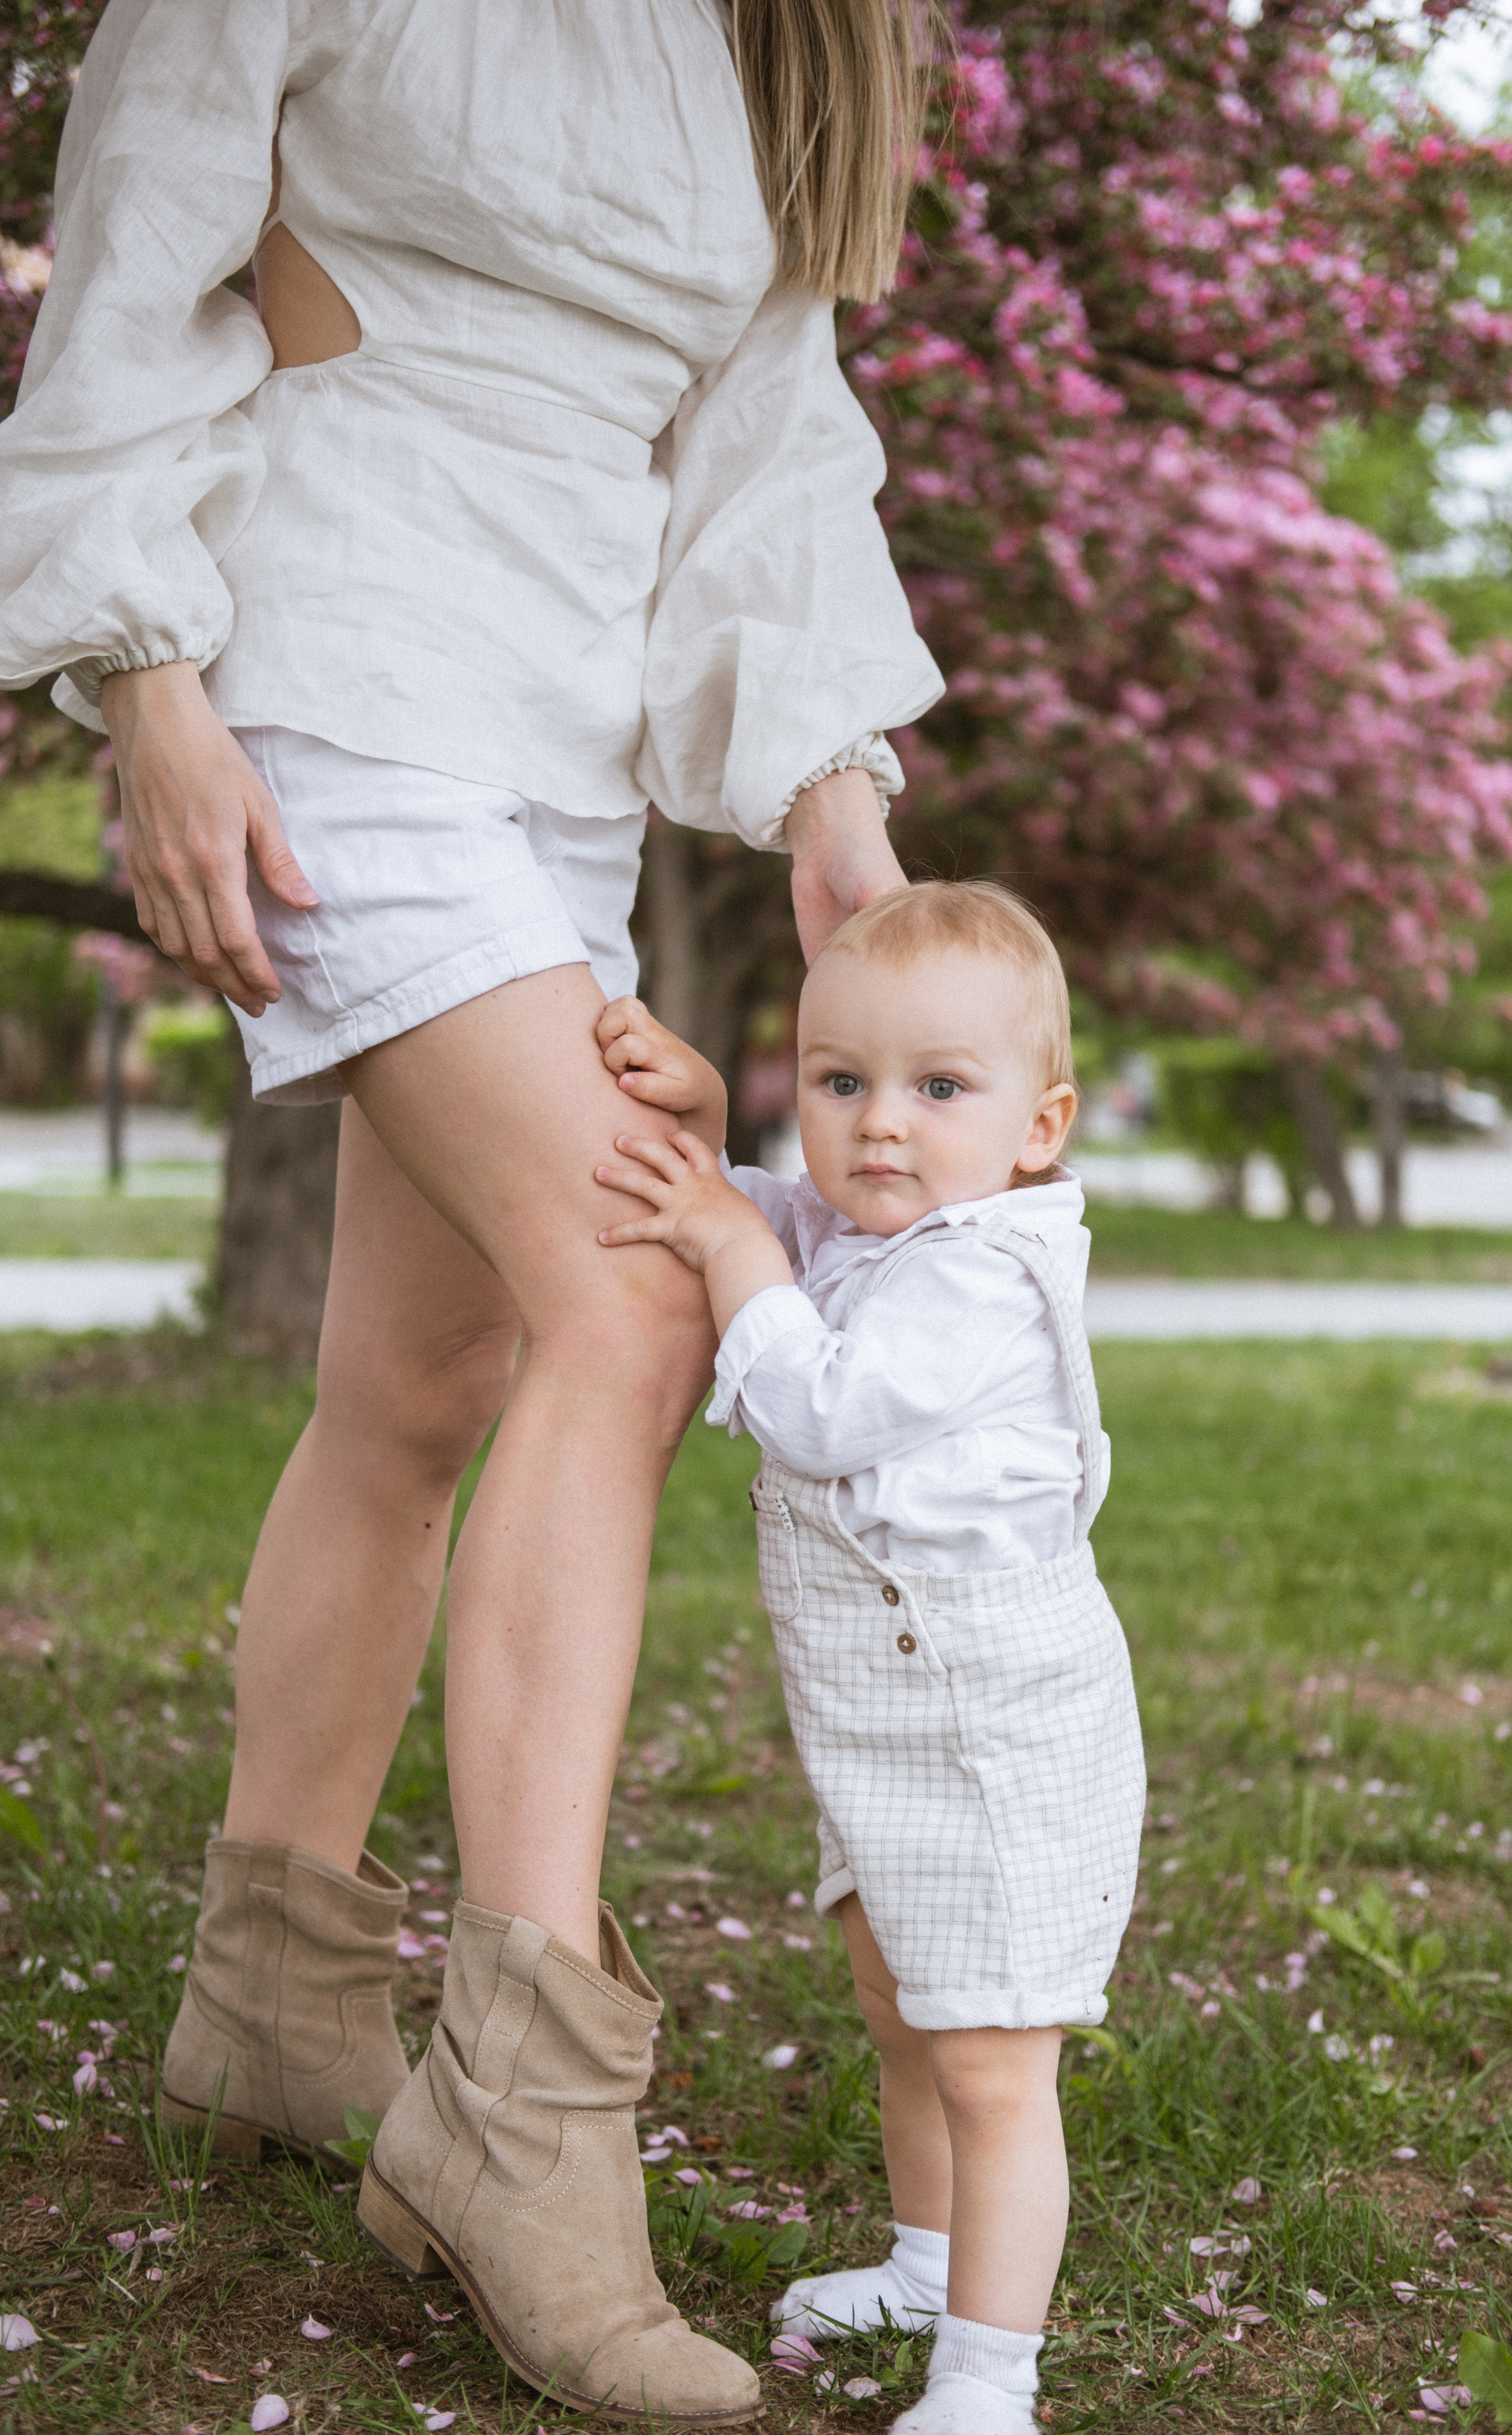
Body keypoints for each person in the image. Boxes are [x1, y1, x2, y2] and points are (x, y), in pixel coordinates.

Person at [0, 0, 945, 2420]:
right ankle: (520, 2117)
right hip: (316, 660)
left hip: (559, 740)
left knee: (433, 1378)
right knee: (633, 1293)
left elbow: (767, 440)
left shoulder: (781, 47)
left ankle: (276, 1994)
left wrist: (832, 781)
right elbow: (137, 253)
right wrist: (150, 685)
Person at [590, 881, 1147, 2435]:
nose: (877, 1126)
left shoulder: (983, 1272)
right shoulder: (863, 1223)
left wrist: (714, 1233)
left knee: (988, 2060)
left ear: (1037, 1126)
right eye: (840, 1083)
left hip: (992, 1725)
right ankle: (927, 2260)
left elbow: (821, 1406)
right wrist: (714, 1170)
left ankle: (989, 2378)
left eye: (935, 1089)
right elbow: (771, 1220)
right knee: (901, 2012)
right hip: (887, 1716)